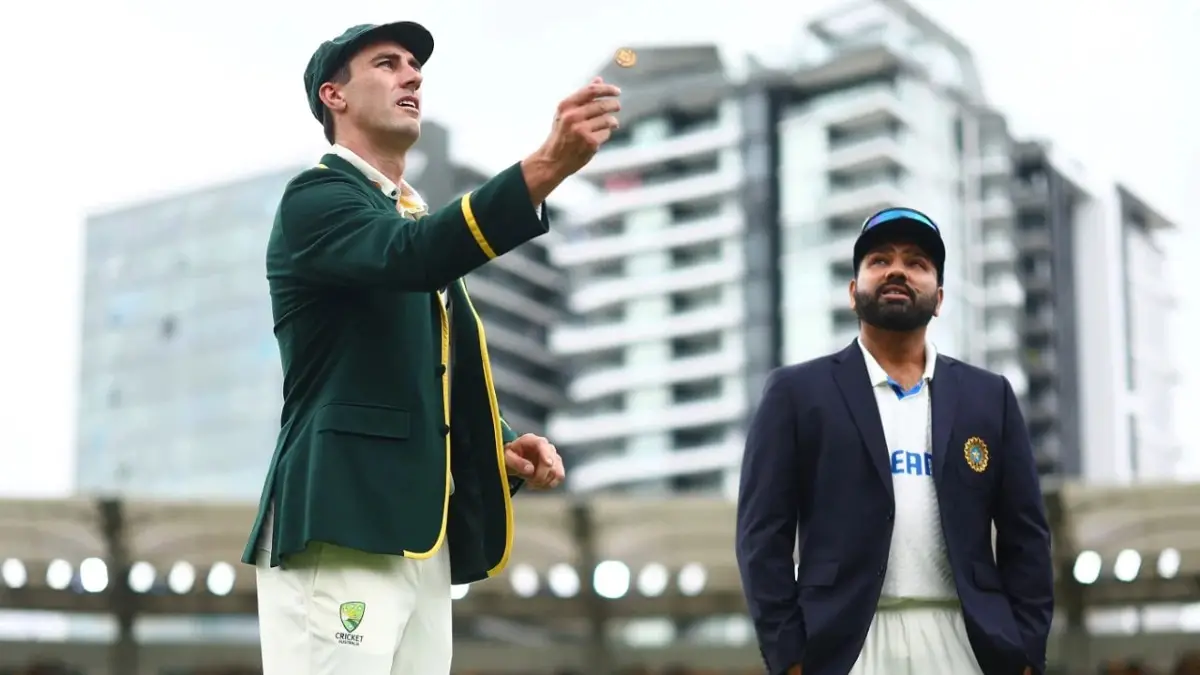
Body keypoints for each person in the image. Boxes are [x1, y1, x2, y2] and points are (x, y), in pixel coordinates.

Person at [239, 20, 621, 675]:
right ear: (333, 96)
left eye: (414, 65)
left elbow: (428, 363)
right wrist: (543, 168)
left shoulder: (405, 219)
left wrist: (495, 439)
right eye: (387, 64)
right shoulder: (319, 198)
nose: (412, 76)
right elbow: (414, 258)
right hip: (343, 520)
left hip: (420, 541)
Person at [735, 207, 1054, 675]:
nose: (898, 270)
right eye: (880, 260)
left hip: (966, 640)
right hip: (844, 645)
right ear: (853, 290)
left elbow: (1026, 536)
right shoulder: (797, 393)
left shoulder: (990, 398)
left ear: (939, 298)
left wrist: (1026, 652)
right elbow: (761, 535)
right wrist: (789, 656)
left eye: (918, 262)